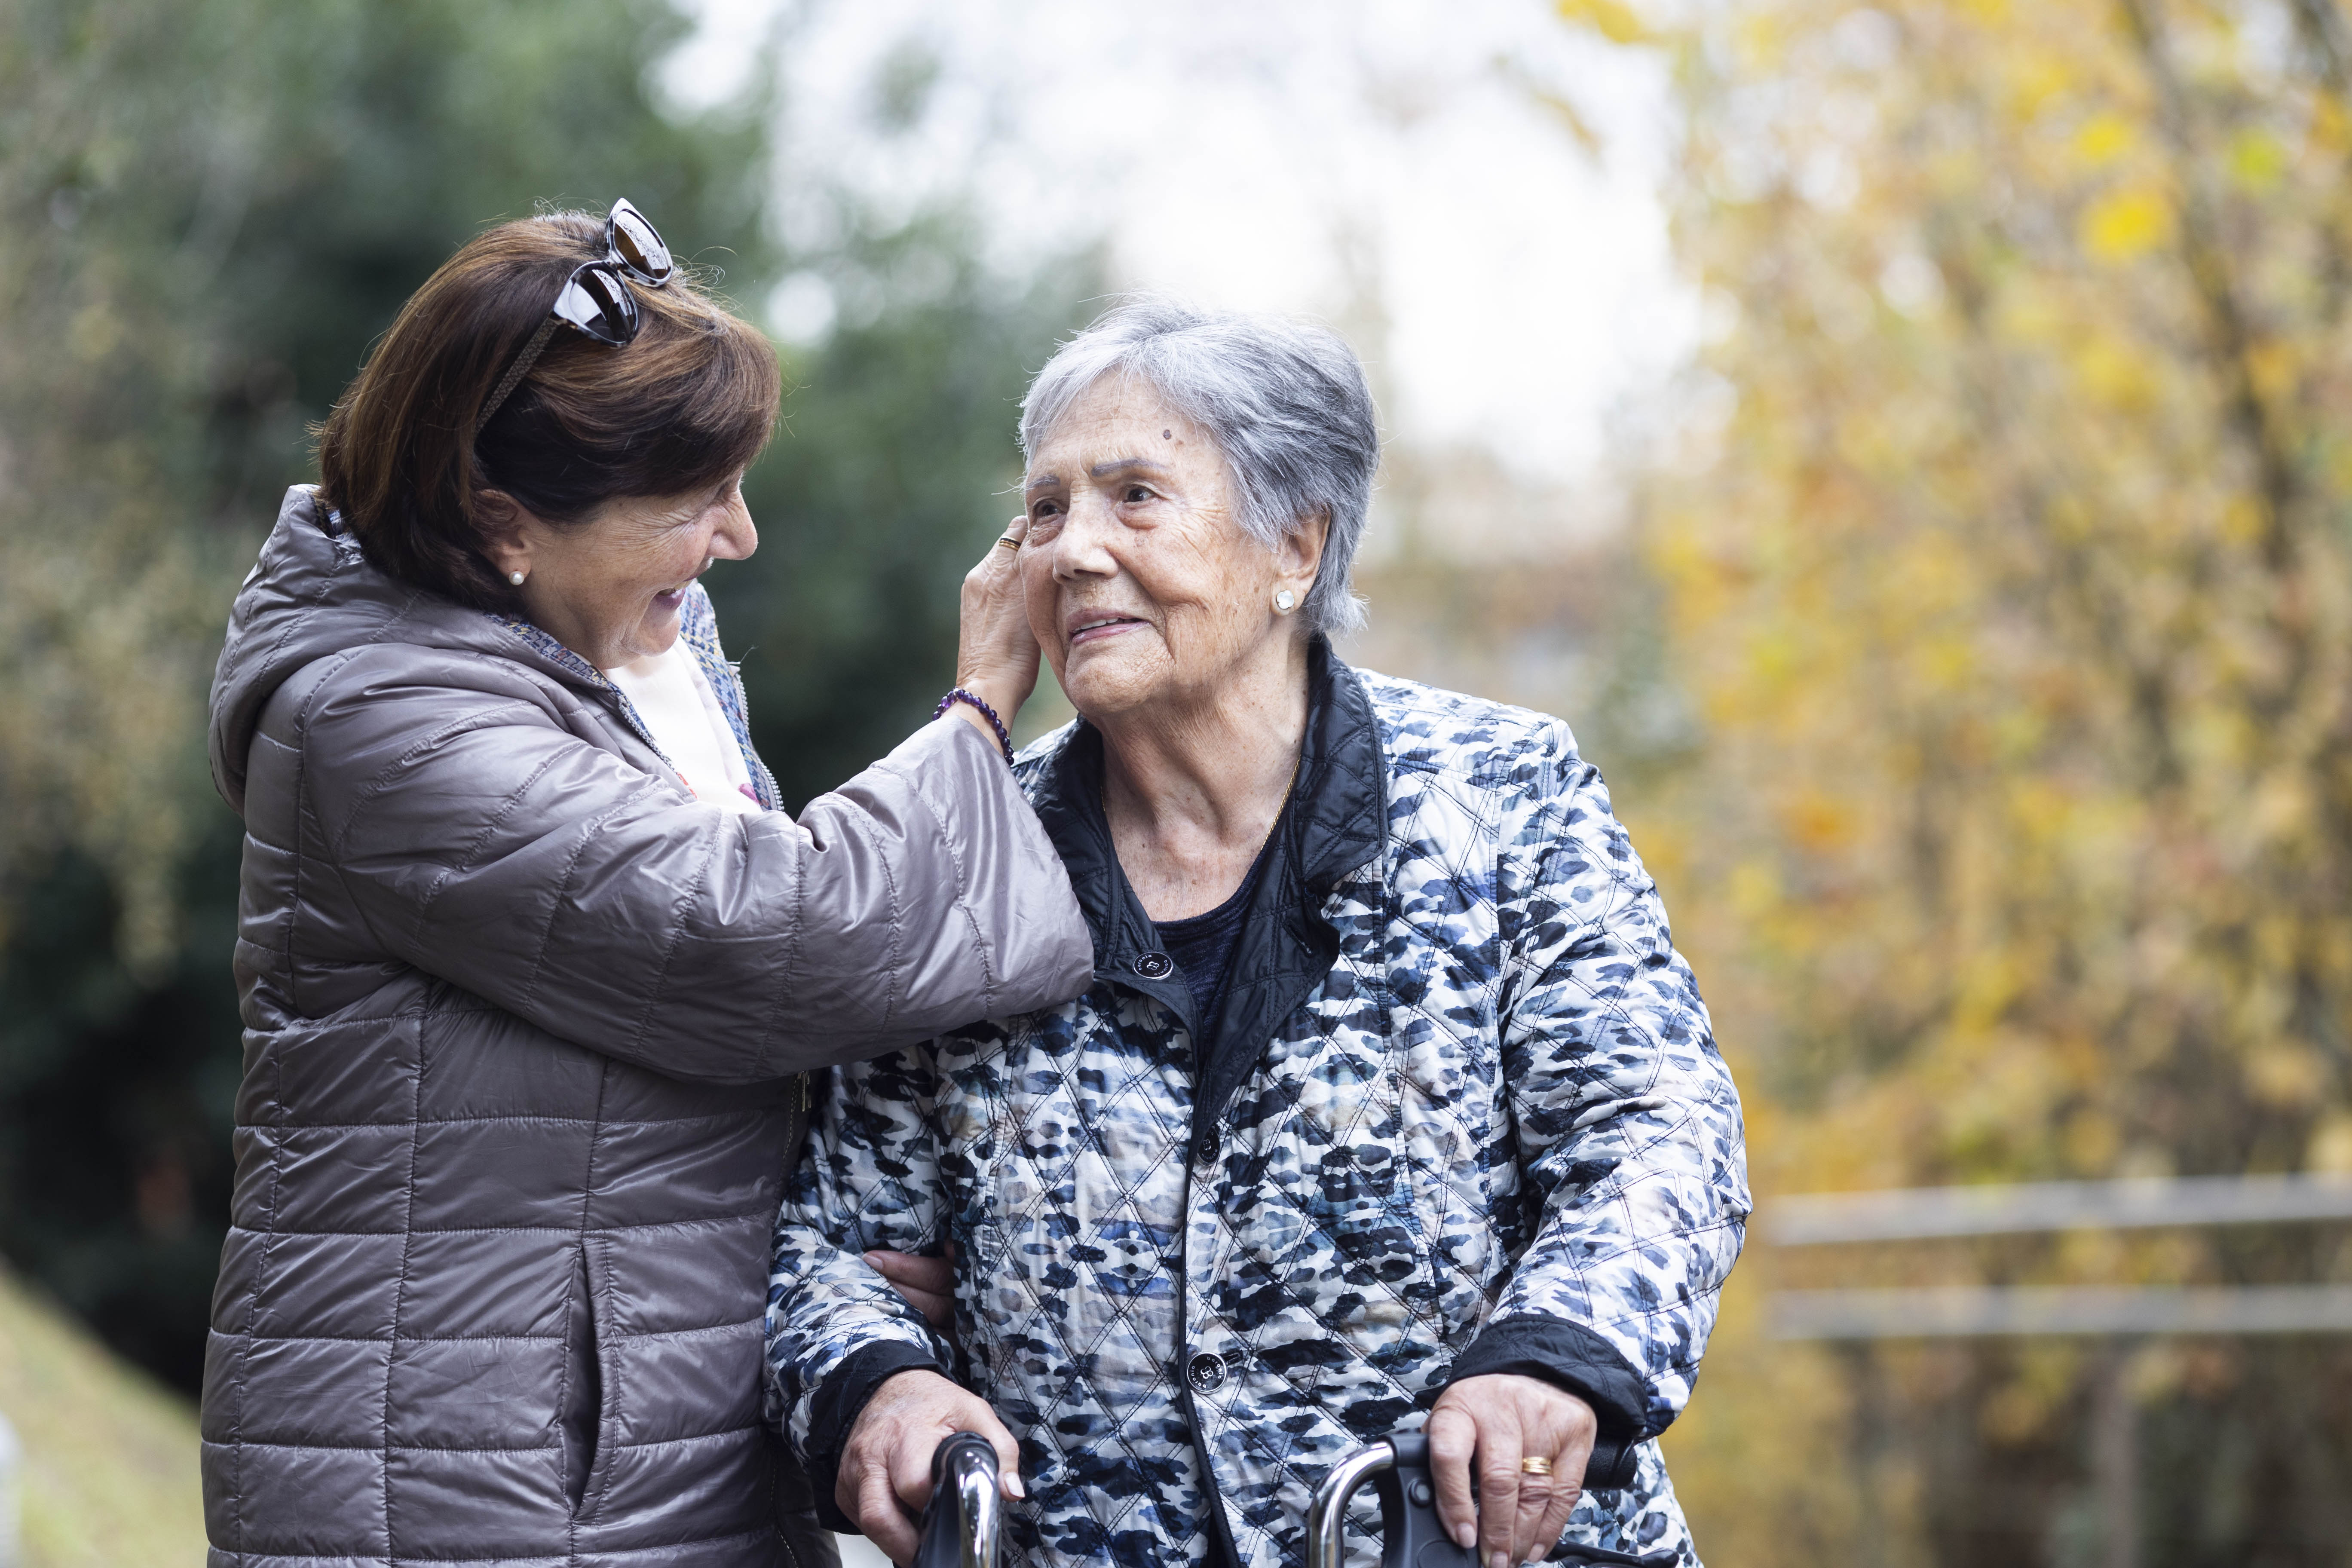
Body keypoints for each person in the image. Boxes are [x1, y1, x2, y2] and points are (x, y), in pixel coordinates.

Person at [766, 300, 1750, 1568]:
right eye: (1047, 508)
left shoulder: (1502, 797)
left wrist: (1556, 1360)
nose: (1072, 552)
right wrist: (879, 1384)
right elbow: (825, 1241)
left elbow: (1658, 1127)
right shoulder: (970, 851)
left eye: (1135, 497)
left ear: (1296, 545)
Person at [201, 200, 1093, 1568]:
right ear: (506, 517)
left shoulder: (598, 644)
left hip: (616, 1449)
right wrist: (981, 711)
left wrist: (833, 1249)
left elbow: (644, 1040)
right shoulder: (386, 721)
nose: (737, 536)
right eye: (693, 504)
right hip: (468, 1496)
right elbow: (771, 941)